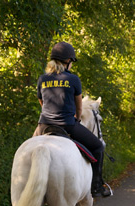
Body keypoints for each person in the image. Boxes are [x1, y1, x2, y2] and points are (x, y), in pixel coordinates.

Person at [33, 41, 111, 197]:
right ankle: (96, 186)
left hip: (43, 126)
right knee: (98, 147)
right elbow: (79, 108)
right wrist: (75, 117)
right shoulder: (73, 79)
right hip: (67, 125)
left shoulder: (42, 79)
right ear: (68, 61)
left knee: (28, 151)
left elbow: (42, 103)